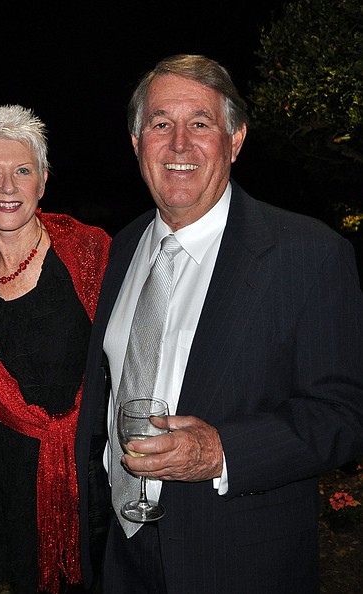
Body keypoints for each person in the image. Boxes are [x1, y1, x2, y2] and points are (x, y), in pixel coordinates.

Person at [81, 54, 363, 593]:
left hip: (239, 561)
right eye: (160, 124)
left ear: (234, 141)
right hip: (121, 553)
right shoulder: (122, 249)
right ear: (137, 142)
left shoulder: (307, 255)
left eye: (201, 124)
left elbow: (345, 414)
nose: (179, 143)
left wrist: (221, 452)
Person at [0, 104, 111, 594]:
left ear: (42, 182)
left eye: (22, 171)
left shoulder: (90, 251)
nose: (7, 187)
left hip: (84, 469)